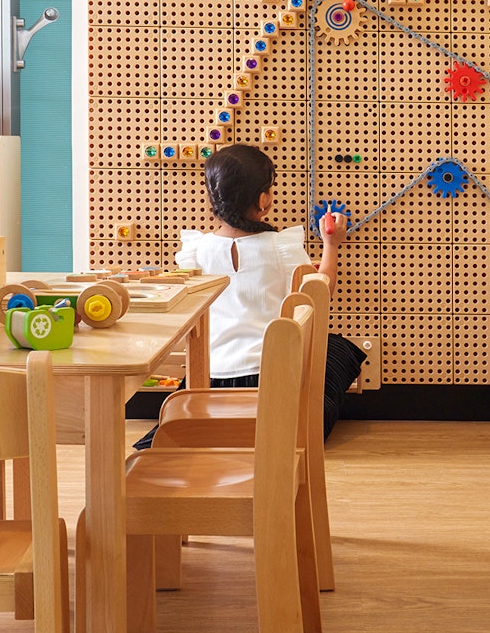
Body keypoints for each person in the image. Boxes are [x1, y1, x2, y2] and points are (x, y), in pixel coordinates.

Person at [133, 143, 364, 449]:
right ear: (263, 198)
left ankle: (209, 429)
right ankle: (284, 430)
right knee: (338, 348)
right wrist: (331, 245)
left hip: (209, 381)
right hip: (271, 380)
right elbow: (318, 293)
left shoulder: (196, 250)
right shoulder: (280, 246)